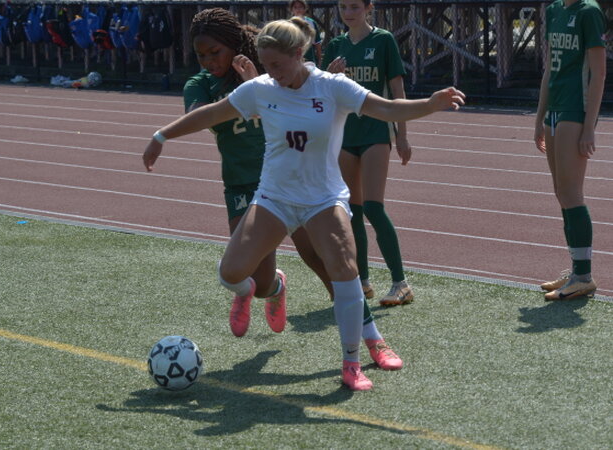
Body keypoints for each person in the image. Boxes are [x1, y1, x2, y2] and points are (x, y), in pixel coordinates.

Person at [143, 17, 465, 390]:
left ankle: (354, 360)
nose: (272, 73)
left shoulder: (332, 86)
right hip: (275, 198)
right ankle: (261, 292)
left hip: (323, 199)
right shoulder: (261, 88)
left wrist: (430, 104)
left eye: (278, 65)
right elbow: (213, 113)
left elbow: (388, 109)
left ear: (299, 54)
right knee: (230, 273)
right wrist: (161, 136)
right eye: (266, 66)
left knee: (344, 274)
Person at [184, 8, 407, 374]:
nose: (209, 61)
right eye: (201, 55)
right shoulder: (204, 84)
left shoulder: (272, 71)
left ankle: (371, 337)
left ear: (233, 45)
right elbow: (208, 114)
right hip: (245, 184)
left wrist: (264, 81)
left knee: (327, 264)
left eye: (215, 52)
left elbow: (296, 100)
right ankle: (266, 291)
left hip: (295, 183)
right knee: (253, 279)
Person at [322, 0, 413, 307]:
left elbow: (397, 91)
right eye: (343, 7)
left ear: (368, 8)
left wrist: (402, 135)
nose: (348, 13)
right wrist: (330, 76)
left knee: (374, 207)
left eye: (355, 7)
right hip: (346, 135)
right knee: (353, 211)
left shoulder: (383, 40)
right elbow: (323, 96)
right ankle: (362, 281)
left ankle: (401, 283)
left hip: (376, 132)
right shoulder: (335, 46)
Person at [534, 0, 606, 300]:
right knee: (561, 192)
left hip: (575, 109)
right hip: (554, 108)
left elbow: (599, 73)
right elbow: (549, 70)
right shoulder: (553, 10)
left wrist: (589, 126)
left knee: (571, 192)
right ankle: (576, 269)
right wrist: (539, 117)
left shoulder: (589, 12)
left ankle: (583, 276)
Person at [289, 0, 322, 66]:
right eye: (295, 7)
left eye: (300, 7)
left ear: (305, 8)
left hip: (309, 55)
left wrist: (319, 59)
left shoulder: (311, 22)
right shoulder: (288, 24)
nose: (298, 9)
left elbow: (317, 43)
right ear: (291, 9)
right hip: (294, 55)